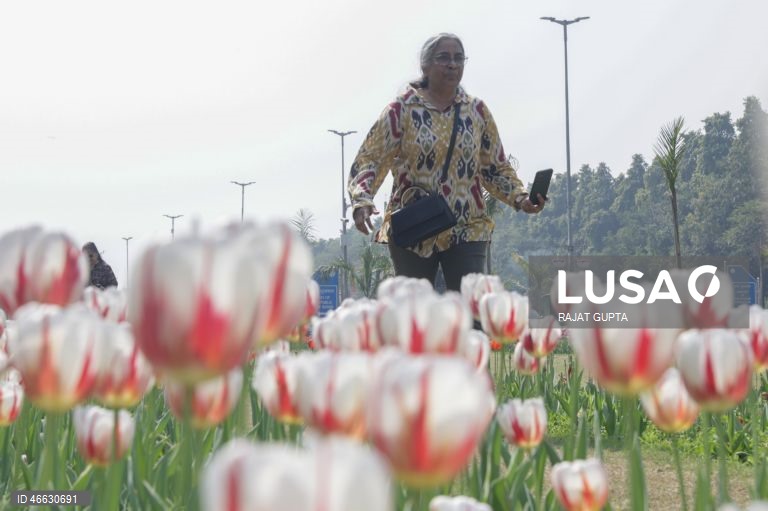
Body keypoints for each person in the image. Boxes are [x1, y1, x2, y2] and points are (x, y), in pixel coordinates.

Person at [348, 33, 545, 292]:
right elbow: (371, 158)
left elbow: (495, 167)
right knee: (416, 315)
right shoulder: (401, 111)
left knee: (473, 312)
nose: (452, 65)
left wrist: (521, 198)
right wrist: (362, 200)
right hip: (415, 226)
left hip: (467, 225)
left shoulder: (476, 112)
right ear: (425, 65)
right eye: (443, 58)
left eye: (458, 58)